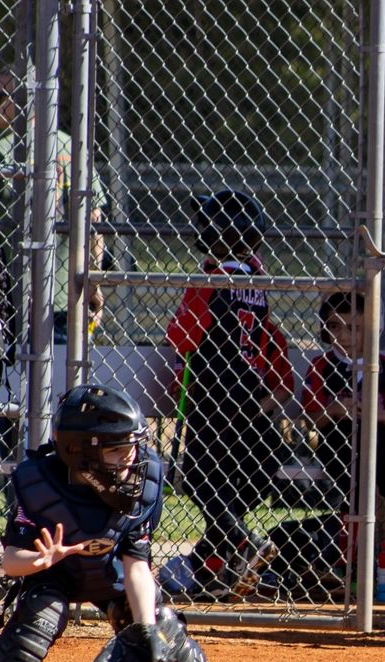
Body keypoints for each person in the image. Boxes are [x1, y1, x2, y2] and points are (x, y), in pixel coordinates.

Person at [0, 383, 252, 662]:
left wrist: (146, 629)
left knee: (158, 622)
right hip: (53, 573)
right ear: (80, 452)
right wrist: (41, 558)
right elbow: (9, 562)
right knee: (44, 611)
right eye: (117, 451)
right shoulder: (40, 484)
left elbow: (137, 565)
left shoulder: (143, 482)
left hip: (108, 571)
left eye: (132, 448)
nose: (131, 459)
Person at [162, 190, 291, 598]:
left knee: (199, 477)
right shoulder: (257, 280)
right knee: (227, 483)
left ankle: (241, 541)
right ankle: (216, 556)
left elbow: (182, 336)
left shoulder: (211, 278)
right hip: (249, 392)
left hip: (213, 390)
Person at [0, 68, 107, 337]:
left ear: (25, 98)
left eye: (0, 97)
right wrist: (94, 282)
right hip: (70, 292)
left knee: (13, 369)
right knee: (68, 374)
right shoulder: (73, 148)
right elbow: (95, 224)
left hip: (12, 294)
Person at [304, 292, 385, 568]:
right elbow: (312, 421)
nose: (343, 336)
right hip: (336, 439)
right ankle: (350, 563)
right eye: (333, 326)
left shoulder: (384, 367)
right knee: (353, 492)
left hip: (377, 439)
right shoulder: (321, 366)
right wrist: (334, 410)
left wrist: (375, 413)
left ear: (371, 328)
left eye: (353, 328)